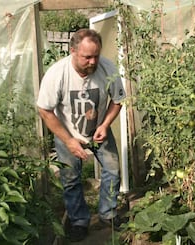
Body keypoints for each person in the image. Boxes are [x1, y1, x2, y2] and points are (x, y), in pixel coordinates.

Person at [37, 29, 126, 242]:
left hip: (98, 131)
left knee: (112, 170)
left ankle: (108, 214)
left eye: (96, 55)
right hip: (67, 132)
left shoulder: (107, 68)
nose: (93, 61)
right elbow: (44, 110)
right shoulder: (57, 74)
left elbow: (118, 100)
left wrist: (105, 124)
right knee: (70, 180)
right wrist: (68, 140)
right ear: (73, 51)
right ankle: (79, 221)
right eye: (87, 57)